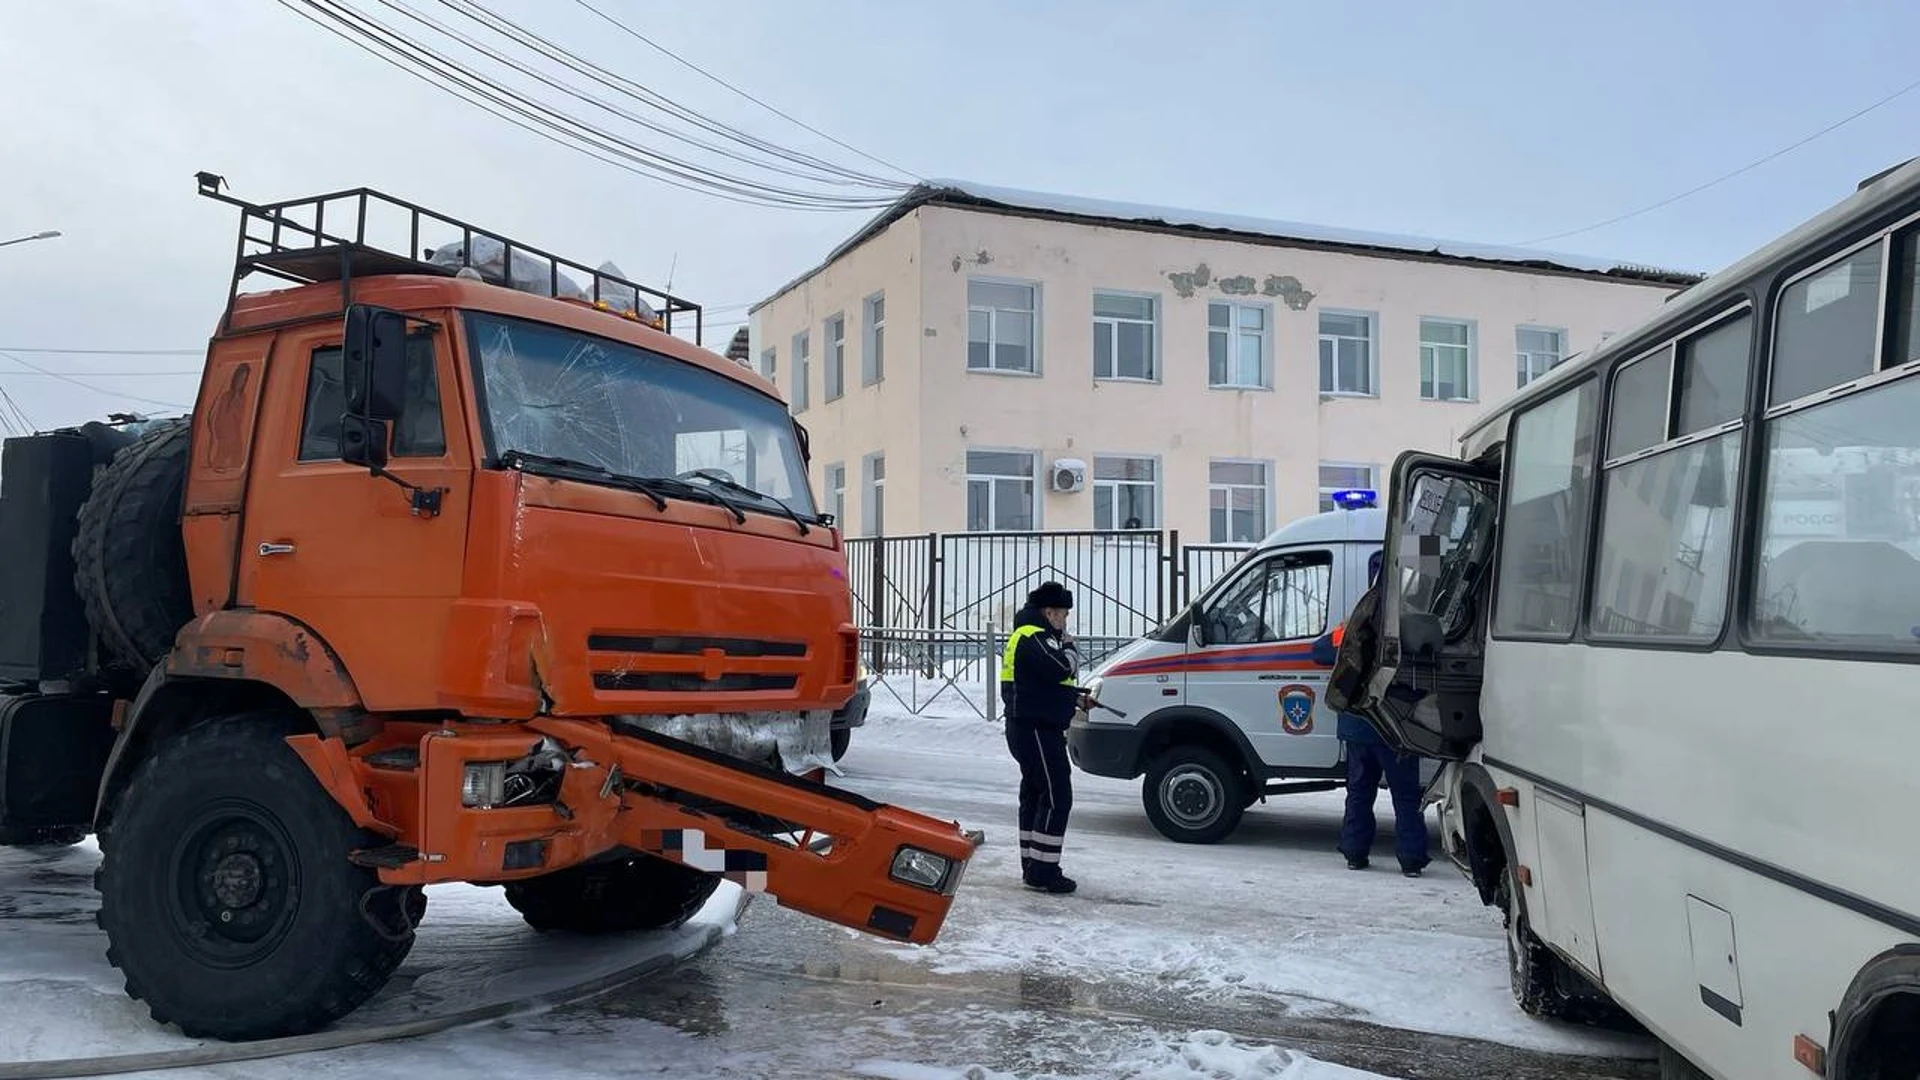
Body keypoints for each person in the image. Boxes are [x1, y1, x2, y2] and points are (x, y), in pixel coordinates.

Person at [999, 581, 1092, 894]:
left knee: (1037, 795)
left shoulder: (1031, 636)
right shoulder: (1034, 637)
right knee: (1056, 797)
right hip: (1035, 729)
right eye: (1063, 614)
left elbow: (1040, 685)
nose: (1065, 621)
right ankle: (1044, 871)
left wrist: (1073, 698)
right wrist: (1070, 648)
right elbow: (1058, 668)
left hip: (1031, 725)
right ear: (1049, 611)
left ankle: (1034, 864)